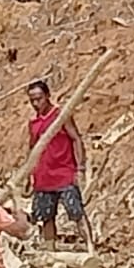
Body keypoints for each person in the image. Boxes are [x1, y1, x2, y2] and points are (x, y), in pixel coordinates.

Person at [26, 79, 94, 245]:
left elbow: (76, 138)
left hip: (64, 173)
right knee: (46, 216)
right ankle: (50, 251)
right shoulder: (34, 123)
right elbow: (32, 148)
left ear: (48, 96)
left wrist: (80, 167)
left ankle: (91, 247)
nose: (36, 103)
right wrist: (29, 174)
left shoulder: (60, 116)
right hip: (43, 176)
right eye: (32, 100)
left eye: (39, 98)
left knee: (76, 211)